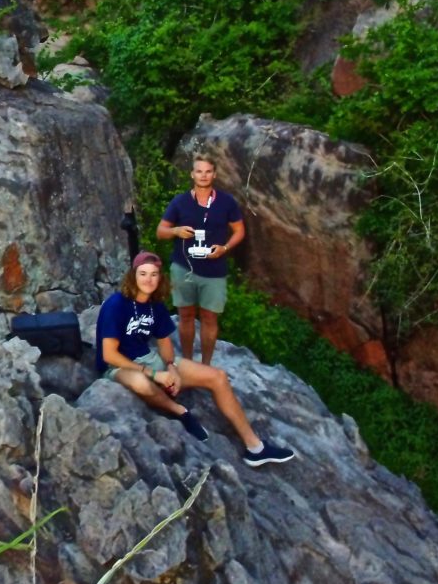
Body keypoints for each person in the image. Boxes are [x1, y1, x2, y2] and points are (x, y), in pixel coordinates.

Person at [95, 251, 294, 467]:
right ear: (133, 276)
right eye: (142, 274)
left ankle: (255, 448)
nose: (148, 280)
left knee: (217, 376)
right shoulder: (117, 305)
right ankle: (181, 412)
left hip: (148, 358)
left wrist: (171, 368)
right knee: (140, 383)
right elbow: (109, 354)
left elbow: (164, 344)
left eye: (154, 274)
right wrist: (154, 374)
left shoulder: (156, 306)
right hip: (117, 366)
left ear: (160, 277)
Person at [157, 154, 244, 366]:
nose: (203, 176)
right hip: (183, 267)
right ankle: (187, 362)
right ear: (192, 174)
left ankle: (205, 365)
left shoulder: (227, 202)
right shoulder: (180, 201)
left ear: (214, 174)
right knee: (185, 316)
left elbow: (239, 231)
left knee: (209, 318)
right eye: (199, 171)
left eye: (207, 171)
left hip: (214, 268)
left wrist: (224, 248)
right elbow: (161, 231)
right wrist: (176, 230)